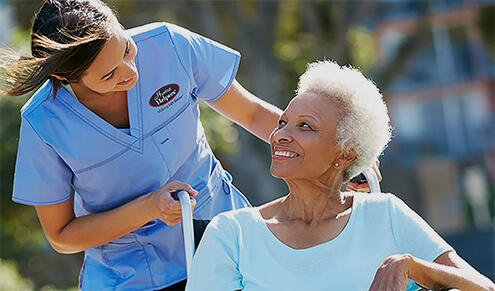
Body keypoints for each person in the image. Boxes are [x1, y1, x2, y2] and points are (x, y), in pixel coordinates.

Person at [185, 60, 495, 291]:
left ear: (345, 152)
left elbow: (482, 287)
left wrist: (410, 267)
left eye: (305, 126)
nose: (280, 135)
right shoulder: (232, 233)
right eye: (282, 122)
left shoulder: (384, 214)